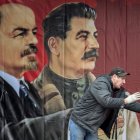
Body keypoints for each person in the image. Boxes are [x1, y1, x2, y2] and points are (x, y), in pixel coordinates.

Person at [33, 2, 140, 140]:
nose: (96, 44)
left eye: (95, 35)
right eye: (83, 36)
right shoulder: (28, 98)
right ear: (55, 45)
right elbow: (106, 101)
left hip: (91, 128)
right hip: (79, 125)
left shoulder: (118, 93)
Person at [0, 3, 71, 140]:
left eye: (33, 32)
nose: (33, 40)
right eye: (21, 33)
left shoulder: (30, 89)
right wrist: (71, 118)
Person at [69, 67, 140, 140]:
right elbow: (106, 101)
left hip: (92, 127)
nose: (124, 82)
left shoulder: (118, 91)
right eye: (122, 79)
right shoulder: (100, 83)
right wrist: (125, 100)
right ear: (114, 77)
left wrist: (128, 101)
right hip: (79, 123)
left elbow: (131, 104)